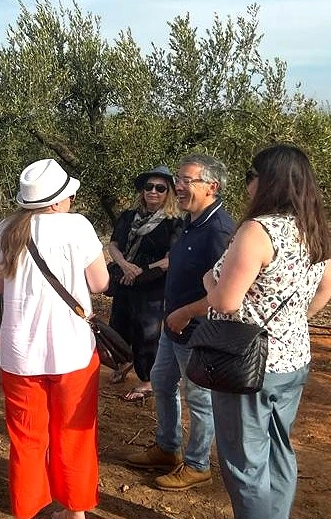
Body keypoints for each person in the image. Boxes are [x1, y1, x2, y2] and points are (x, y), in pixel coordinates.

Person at [203, 145, 331, 518]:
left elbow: (226, 302)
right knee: (278, 449)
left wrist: (207, 282)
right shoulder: (311, 229)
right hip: (293, 359)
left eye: (251, 176)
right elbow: (328, 285)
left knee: (245, 462)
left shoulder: (257, 231)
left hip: (246, 364)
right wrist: (292, 321)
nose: (247, 185)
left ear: (269, 182)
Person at [0, 159, 110, 519]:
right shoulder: (78, 227)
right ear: (56, 201)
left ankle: (28, 511)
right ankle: (75, 512)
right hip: (72, 351)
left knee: (26, 440)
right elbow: (100, 282)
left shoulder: (5, 229)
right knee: (74, 434)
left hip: (19, 352)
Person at [125, 153, 235, 491]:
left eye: (188, 180)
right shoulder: (191, 220)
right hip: (173, 327)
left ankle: (198, 463)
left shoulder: (219, 230)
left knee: (200, 399)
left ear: (212, 186)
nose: (179, 186)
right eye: (179, 179)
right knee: (160, 381)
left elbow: (228, 292)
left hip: (198, 331)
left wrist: (186, 312)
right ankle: (167, 447)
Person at [106, 165, 179, 401]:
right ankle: (125, 361)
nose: (153, 192)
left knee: (146, 331)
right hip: (126, 280)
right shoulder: (129, 217)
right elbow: (114, 245)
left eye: (160, 188)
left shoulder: (174, 222)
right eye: (149, 187)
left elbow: (171, 259)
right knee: (120, 323)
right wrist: (126, 266)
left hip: (152, 284)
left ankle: (147, 379)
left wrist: (142, 270)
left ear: (169, 192)